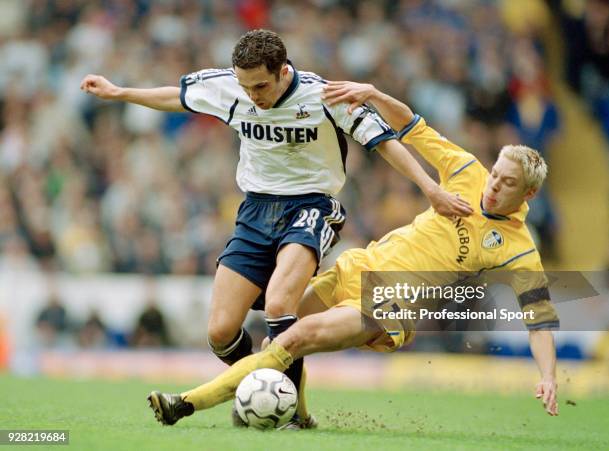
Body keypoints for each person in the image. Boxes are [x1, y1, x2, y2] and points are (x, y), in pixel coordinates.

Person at [81, 29, 472, 427]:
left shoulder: (324, 96)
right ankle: (262, 392)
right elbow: (177, 97)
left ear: (284, 71)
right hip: (254, 212)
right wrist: (120, 92)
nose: (253, 95)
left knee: (280, 306)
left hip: (311, 207)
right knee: (220, 331)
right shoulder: (229, 87)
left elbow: (385, 141)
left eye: (261, 86)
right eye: (245, 86)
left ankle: (294, 414)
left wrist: (431, 189)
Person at [146, 81, 560, 428]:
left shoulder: (519, 247)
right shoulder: (468, 171)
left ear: (529, 193)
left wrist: (548, 376)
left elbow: (538, 321)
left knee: (293, 338)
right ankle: (300, 420)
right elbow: (414, 127)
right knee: (280, 329)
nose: (493, 186)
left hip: (392, 303)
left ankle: (186, 403)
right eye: (495, 175)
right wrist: (374, 94)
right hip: (358, 266)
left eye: (507, 183)